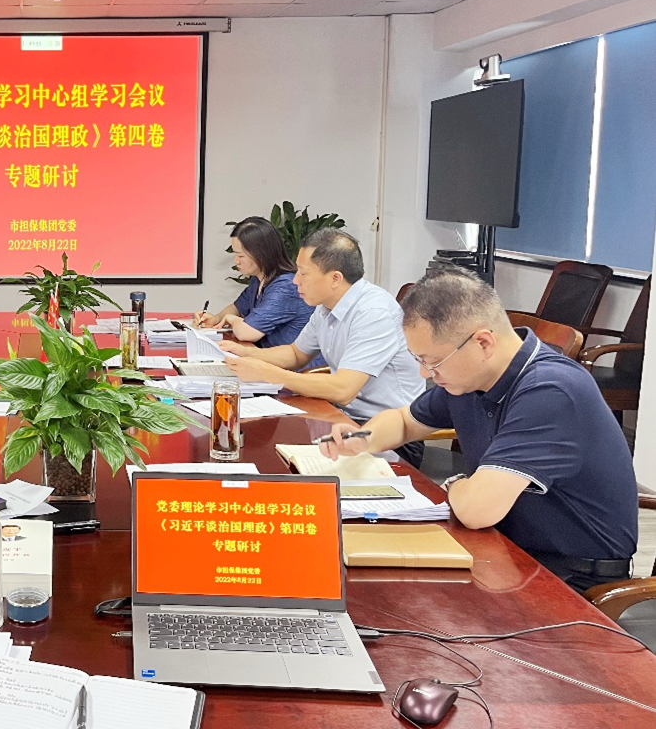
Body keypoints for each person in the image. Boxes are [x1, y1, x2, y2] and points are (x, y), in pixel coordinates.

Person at [319, 266, 639, 592]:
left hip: (572, 579)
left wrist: (455, 483)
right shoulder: (472, 378)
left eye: (432, 361)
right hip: (505, 552)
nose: (424, 374)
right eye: (419, 360)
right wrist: (362, 438)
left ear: (483, 342)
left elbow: (476, 511)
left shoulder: (550, 391)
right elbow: (404, 421)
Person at [221, 228, 424, 466]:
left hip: (387, 436)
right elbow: (296, 354)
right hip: (339, 419)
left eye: (303, 273)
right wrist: (250, 354)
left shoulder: (373, 312)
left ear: (335, 278)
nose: (295, 280)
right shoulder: (326, 306)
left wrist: (268, 373)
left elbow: (343, 390)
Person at [194, 216, 315, 349]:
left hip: (290, 362)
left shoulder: (286, 286)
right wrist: (217, 319)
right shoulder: (258, 280)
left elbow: (246, 333)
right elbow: (237, 307)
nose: (236, 261)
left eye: (240, 255)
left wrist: (231, 319)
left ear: (261, 253)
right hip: (265, 356)